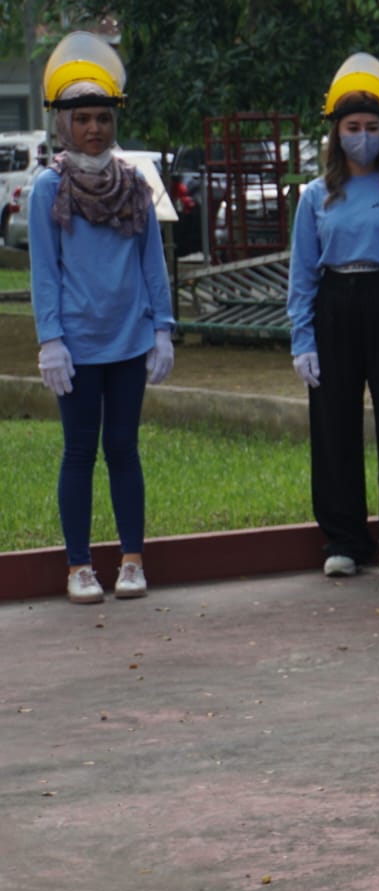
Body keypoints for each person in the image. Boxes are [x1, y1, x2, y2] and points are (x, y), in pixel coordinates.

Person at [30, 32, 174, 604]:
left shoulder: (134, 184)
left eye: (104, 118)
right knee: (78, 452)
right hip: (76, 346)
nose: (94, 128)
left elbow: (152, 262)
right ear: (63, 124)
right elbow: (44, 272)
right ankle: (79, 566)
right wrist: (50, 340)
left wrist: (162, 329)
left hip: (129, 339)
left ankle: (132, 560)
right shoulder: (48, 188)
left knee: (123, 448)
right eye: (83, 118)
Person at [287, 53, 379, 578]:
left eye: (372, 128)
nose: (362, 137)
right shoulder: (316, 196)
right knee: (333, 424)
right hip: (334, 302)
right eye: (353, 128)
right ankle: (343, 540)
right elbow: (302, 273)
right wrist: (302, 339)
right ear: (336, 133)